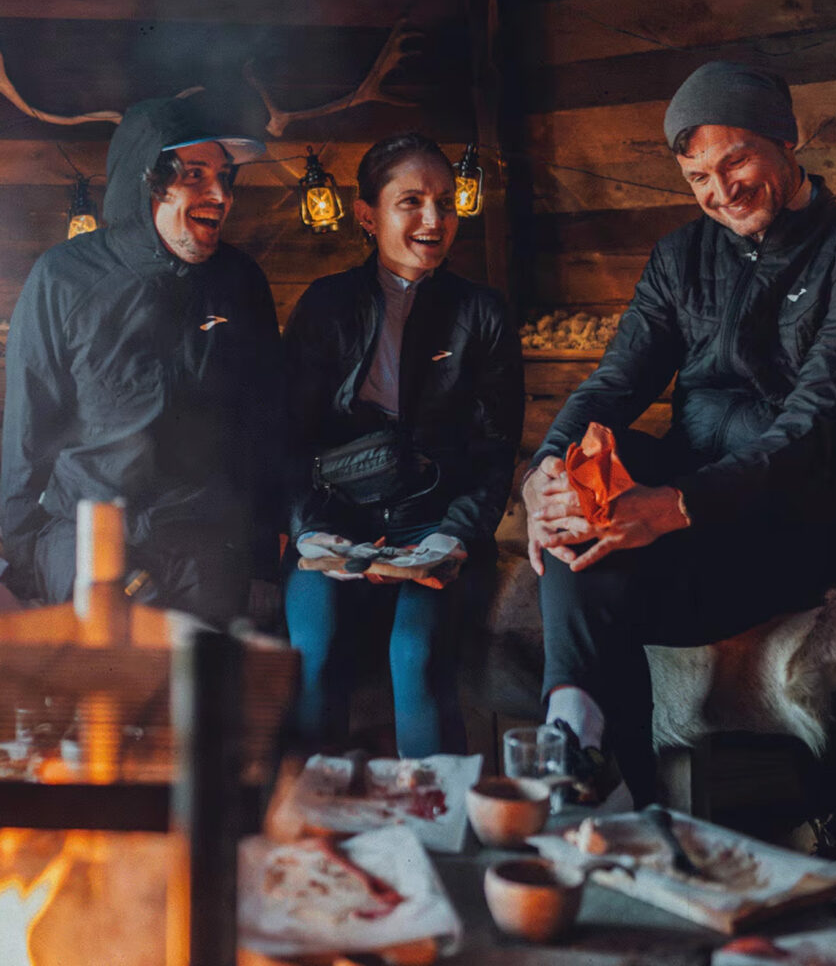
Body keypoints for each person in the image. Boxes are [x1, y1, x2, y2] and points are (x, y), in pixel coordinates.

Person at [524, 61, 836, 809]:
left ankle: (610, 783)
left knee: (597, 573)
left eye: (736, 161)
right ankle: (576, 732)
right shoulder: (679, 257)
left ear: (785, 140)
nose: (720, 191)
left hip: (789, 516)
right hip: (680, 504)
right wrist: (544, 470)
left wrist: (678, 505)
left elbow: (817, 420)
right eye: (699, 175)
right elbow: (613, 385)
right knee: (587, 475)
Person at [0, 91, 284, 626]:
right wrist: (21, 563)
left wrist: (264, 564)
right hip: (89, 536)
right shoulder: (62, 279)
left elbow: (264, 426)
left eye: (225, 177)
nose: (219, 194)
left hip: (203, 542)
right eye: (194, 175)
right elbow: (25, 435)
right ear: (146, 181)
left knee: (200, 697)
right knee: (110, 695)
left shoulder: (240, 282)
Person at [282, 133, 524, 757]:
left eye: (445, 202)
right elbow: (288, 438)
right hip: (337, 528)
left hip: (436, 529)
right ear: (367, 215)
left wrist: (456, 536)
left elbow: (496, 452)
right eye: (410, 201)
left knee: (413, 654)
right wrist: (311, 532)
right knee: (314, 652)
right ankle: (315, 830)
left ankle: (435, 830)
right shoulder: (326, 307)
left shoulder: (483, 313)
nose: (434, 219)